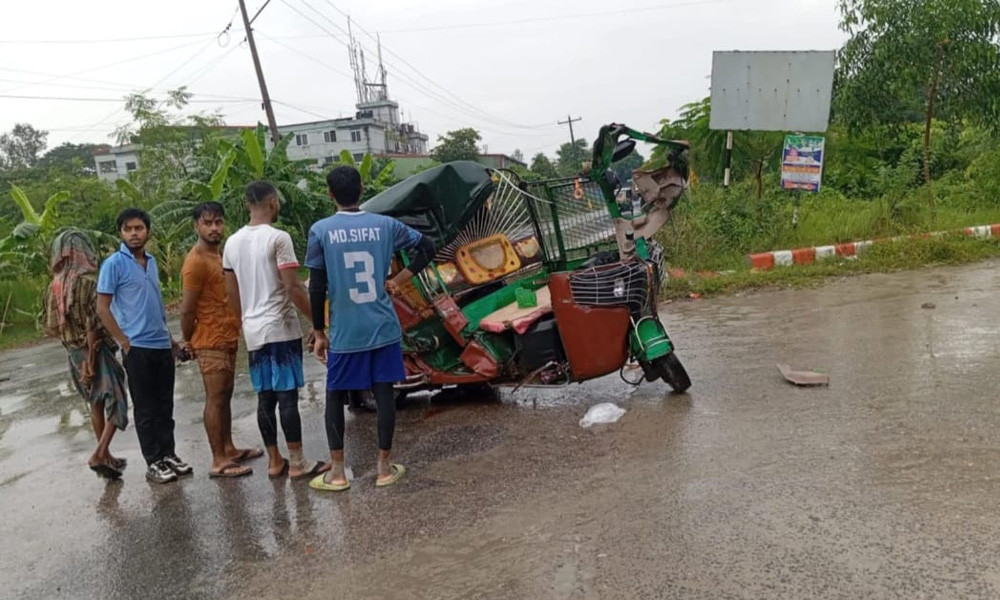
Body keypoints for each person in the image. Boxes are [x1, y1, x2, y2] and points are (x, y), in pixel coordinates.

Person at [306, 165, 435, 491]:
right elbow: (427, 247)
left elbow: (317, 286)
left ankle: (337, 473)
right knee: (384, 393)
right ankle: (383, 468)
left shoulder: (320, 231)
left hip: (346, 332)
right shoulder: (386, 226)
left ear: (329, 193)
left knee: (335, 395)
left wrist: (319, 331)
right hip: (382, 327)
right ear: (362, 190)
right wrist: (398, 281)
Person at [222, 180, 329, 480]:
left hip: (253, 330)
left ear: (246, 205)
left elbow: (233, 293)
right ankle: (297, 462)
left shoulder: (231, 243)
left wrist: (244, 321)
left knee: (265, 397)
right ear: (272, 202)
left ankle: (274, 460)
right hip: (280, 328)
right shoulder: (279, 238)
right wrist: (318, 324)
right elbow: (293, 287)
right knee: (287, 397)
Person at [96, 208, 192, 484]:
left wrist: (171, 340)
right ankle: (154, 462)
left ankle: (169, 454)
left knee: (165, 406)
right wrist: (123, 341)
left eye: (139, 228)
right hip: (137, 348)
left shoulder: (151, 262)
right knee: (146, 408)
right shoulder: (113, 264)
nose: (134, 234)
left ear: (147, 231)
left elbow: (156, 306)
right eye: (128, 229)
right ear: (121, 233)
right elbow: (103, 308)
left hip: (161, 345)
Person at [180, 202, 263, 478]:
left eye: (218, 222)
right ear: (197, 226)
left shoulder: (219, 255)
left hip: (227, 336)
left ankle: (229, 448)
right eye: (208, 223)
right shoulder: (196, 262)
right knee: (215, 398)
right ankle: (218, 460)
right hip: (209, 340)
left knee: (225, 395)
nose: (214, 228)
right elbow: (187, 308)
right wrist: (187, 340)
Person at [43, 230, 129, 480]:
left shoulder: (55, 287)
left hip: (72, 352)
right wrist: (92, 358)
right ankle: (100, 453)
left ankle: (107, 455)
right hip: (96, 351)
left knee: (95, 403)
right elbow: (98, 323)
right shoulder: (90, 283)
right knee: (118, 399)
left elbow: (51, 327)